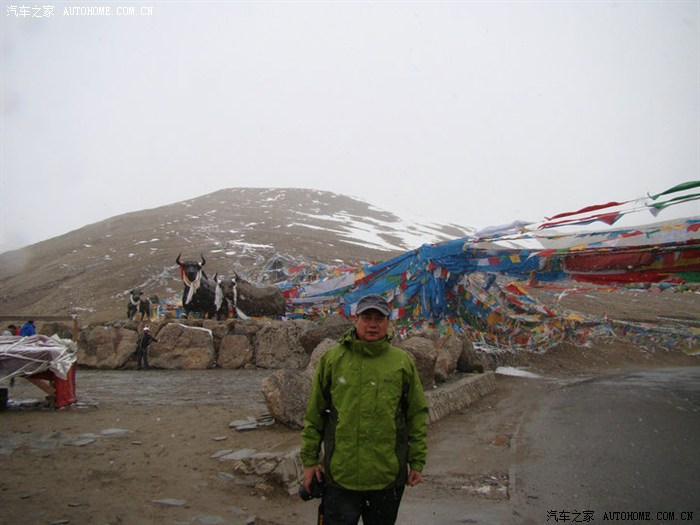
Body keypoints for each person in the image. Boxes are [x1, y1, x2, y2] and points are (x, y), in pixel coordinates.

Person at [300, 294, 428, 525]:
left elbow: (416, 415)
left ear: (388, 322)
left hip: (386, 477)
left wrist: (417, 462)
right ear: (355, 319)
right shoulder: (333, 360)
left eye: (379, 319)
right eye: (367, 317)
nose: (373, 324)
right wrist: (309, 462)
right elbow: (315, 414)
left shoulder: (402, 362)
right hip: (341, 476)